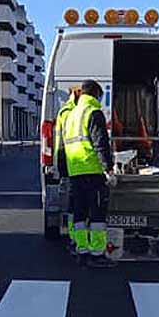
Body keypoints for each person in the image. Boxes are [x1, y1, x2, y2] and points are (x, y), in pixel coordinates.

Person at [62, 80, 117, 267]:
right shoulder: (93, 112)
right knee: (97, 215)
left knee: (79, 213)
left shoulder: (71, 115)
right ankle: (97, 254)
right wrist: (108, 169)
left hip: (75, 171)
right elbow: (100, 143)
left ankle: (82, 250)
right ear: (96, 94)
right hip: (92, 171)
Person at [54, 87, 81, 245]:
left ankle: (74, 236)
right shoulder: (71, 112)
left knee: (73, 203)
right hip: (74, 162)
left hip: (69, 161)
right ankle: (75, 236)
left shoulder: (66, 111)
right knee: (76, 204)